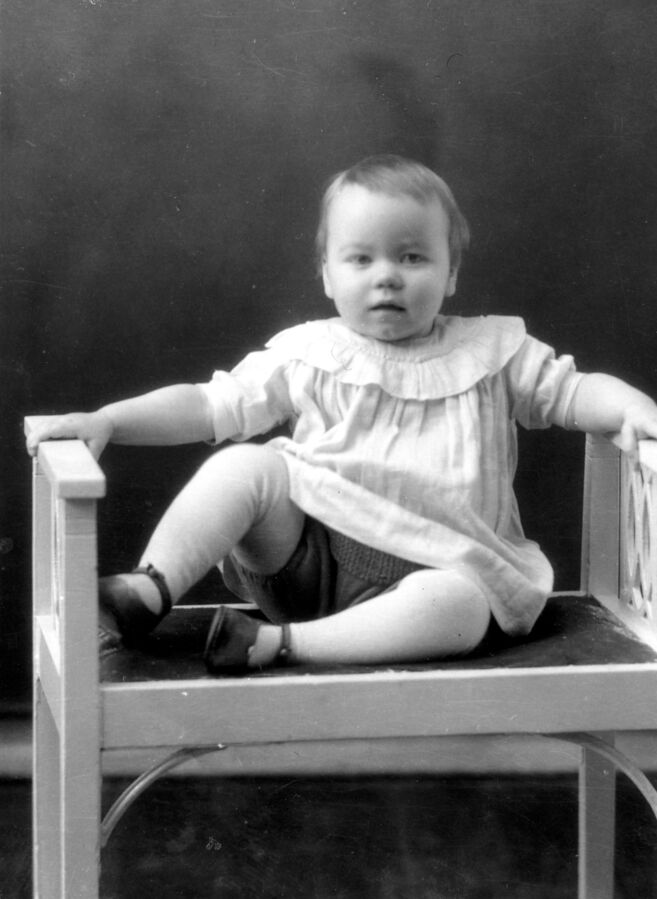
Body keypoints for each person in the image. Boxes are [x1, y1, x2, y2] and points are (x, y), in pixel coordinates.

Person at [26, 154, 657, 673]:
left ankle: (277, 646)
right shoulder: (310, 352)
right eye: (361, 259)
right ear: (327, 275)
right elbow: (206, 404)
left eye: (412, 257)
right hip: (306, 563)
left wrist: (630, 406)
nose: (387, 277)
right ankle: (151, 587)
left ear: (451, 273)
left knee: (464, 605)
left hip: (431, 577)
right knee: (246, 466)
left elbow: (573, 392)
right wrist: (110, 420)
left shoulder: (494, 353)